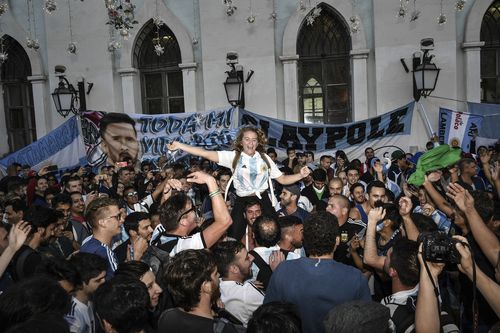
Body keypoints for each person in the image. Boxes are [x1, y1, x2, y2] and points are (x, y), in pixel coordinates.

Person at [167, 126, 311, 242]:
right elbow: (206, 153)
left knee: (274, 233)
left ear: (258, 142)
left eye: (254, 140)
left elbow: (283, 180)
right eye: (247, 139)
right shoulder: (233, 157)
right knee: (233, 236)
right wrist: (180, 145)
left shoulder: (265, 158)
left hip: (263, 199)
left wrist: (300, 175)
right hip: (242, 200)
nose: (251, 143)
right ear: (241, 142)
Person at [264, 211, 371, 333]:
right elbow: (365, 325)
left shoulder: (282, 271)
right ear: (337, 241)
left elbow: (267, 320)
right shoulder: (355, 278)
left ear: (305, 239)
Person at [158, 249, 240, 333]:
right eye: (215, 273)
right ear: (206, 287)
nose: (219, 275)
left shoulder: (167, 317)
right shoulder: (223, 330)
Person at [152, 171, 232, 256]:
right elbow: (225, 221)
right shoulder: (183, 247)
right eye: (192, 209)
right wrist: (211, 181)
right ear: (183, 221)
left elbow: (166, 214)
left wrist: (166, 195)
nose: (195, 212)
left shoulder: (158, 233)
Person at [213, 240, 264, 326]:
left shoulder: (216, 286)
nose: (252, 258)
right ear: (234, 269)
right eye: (247, 258)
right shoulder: (247, 292)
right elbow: (276, 311)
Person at [80, 197, 124, 280]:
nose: (121, 220)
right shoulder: (103, 250)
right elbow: (118, 286)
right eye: (117, 216)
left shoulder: (86, 245)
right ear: (102, 222)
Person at [66, 253, 107, 333]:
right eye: (98, 280)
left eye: (104, 277)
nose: (104, 281)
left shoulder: (91, 298)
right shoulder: (73, 315)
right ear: (80, 283)